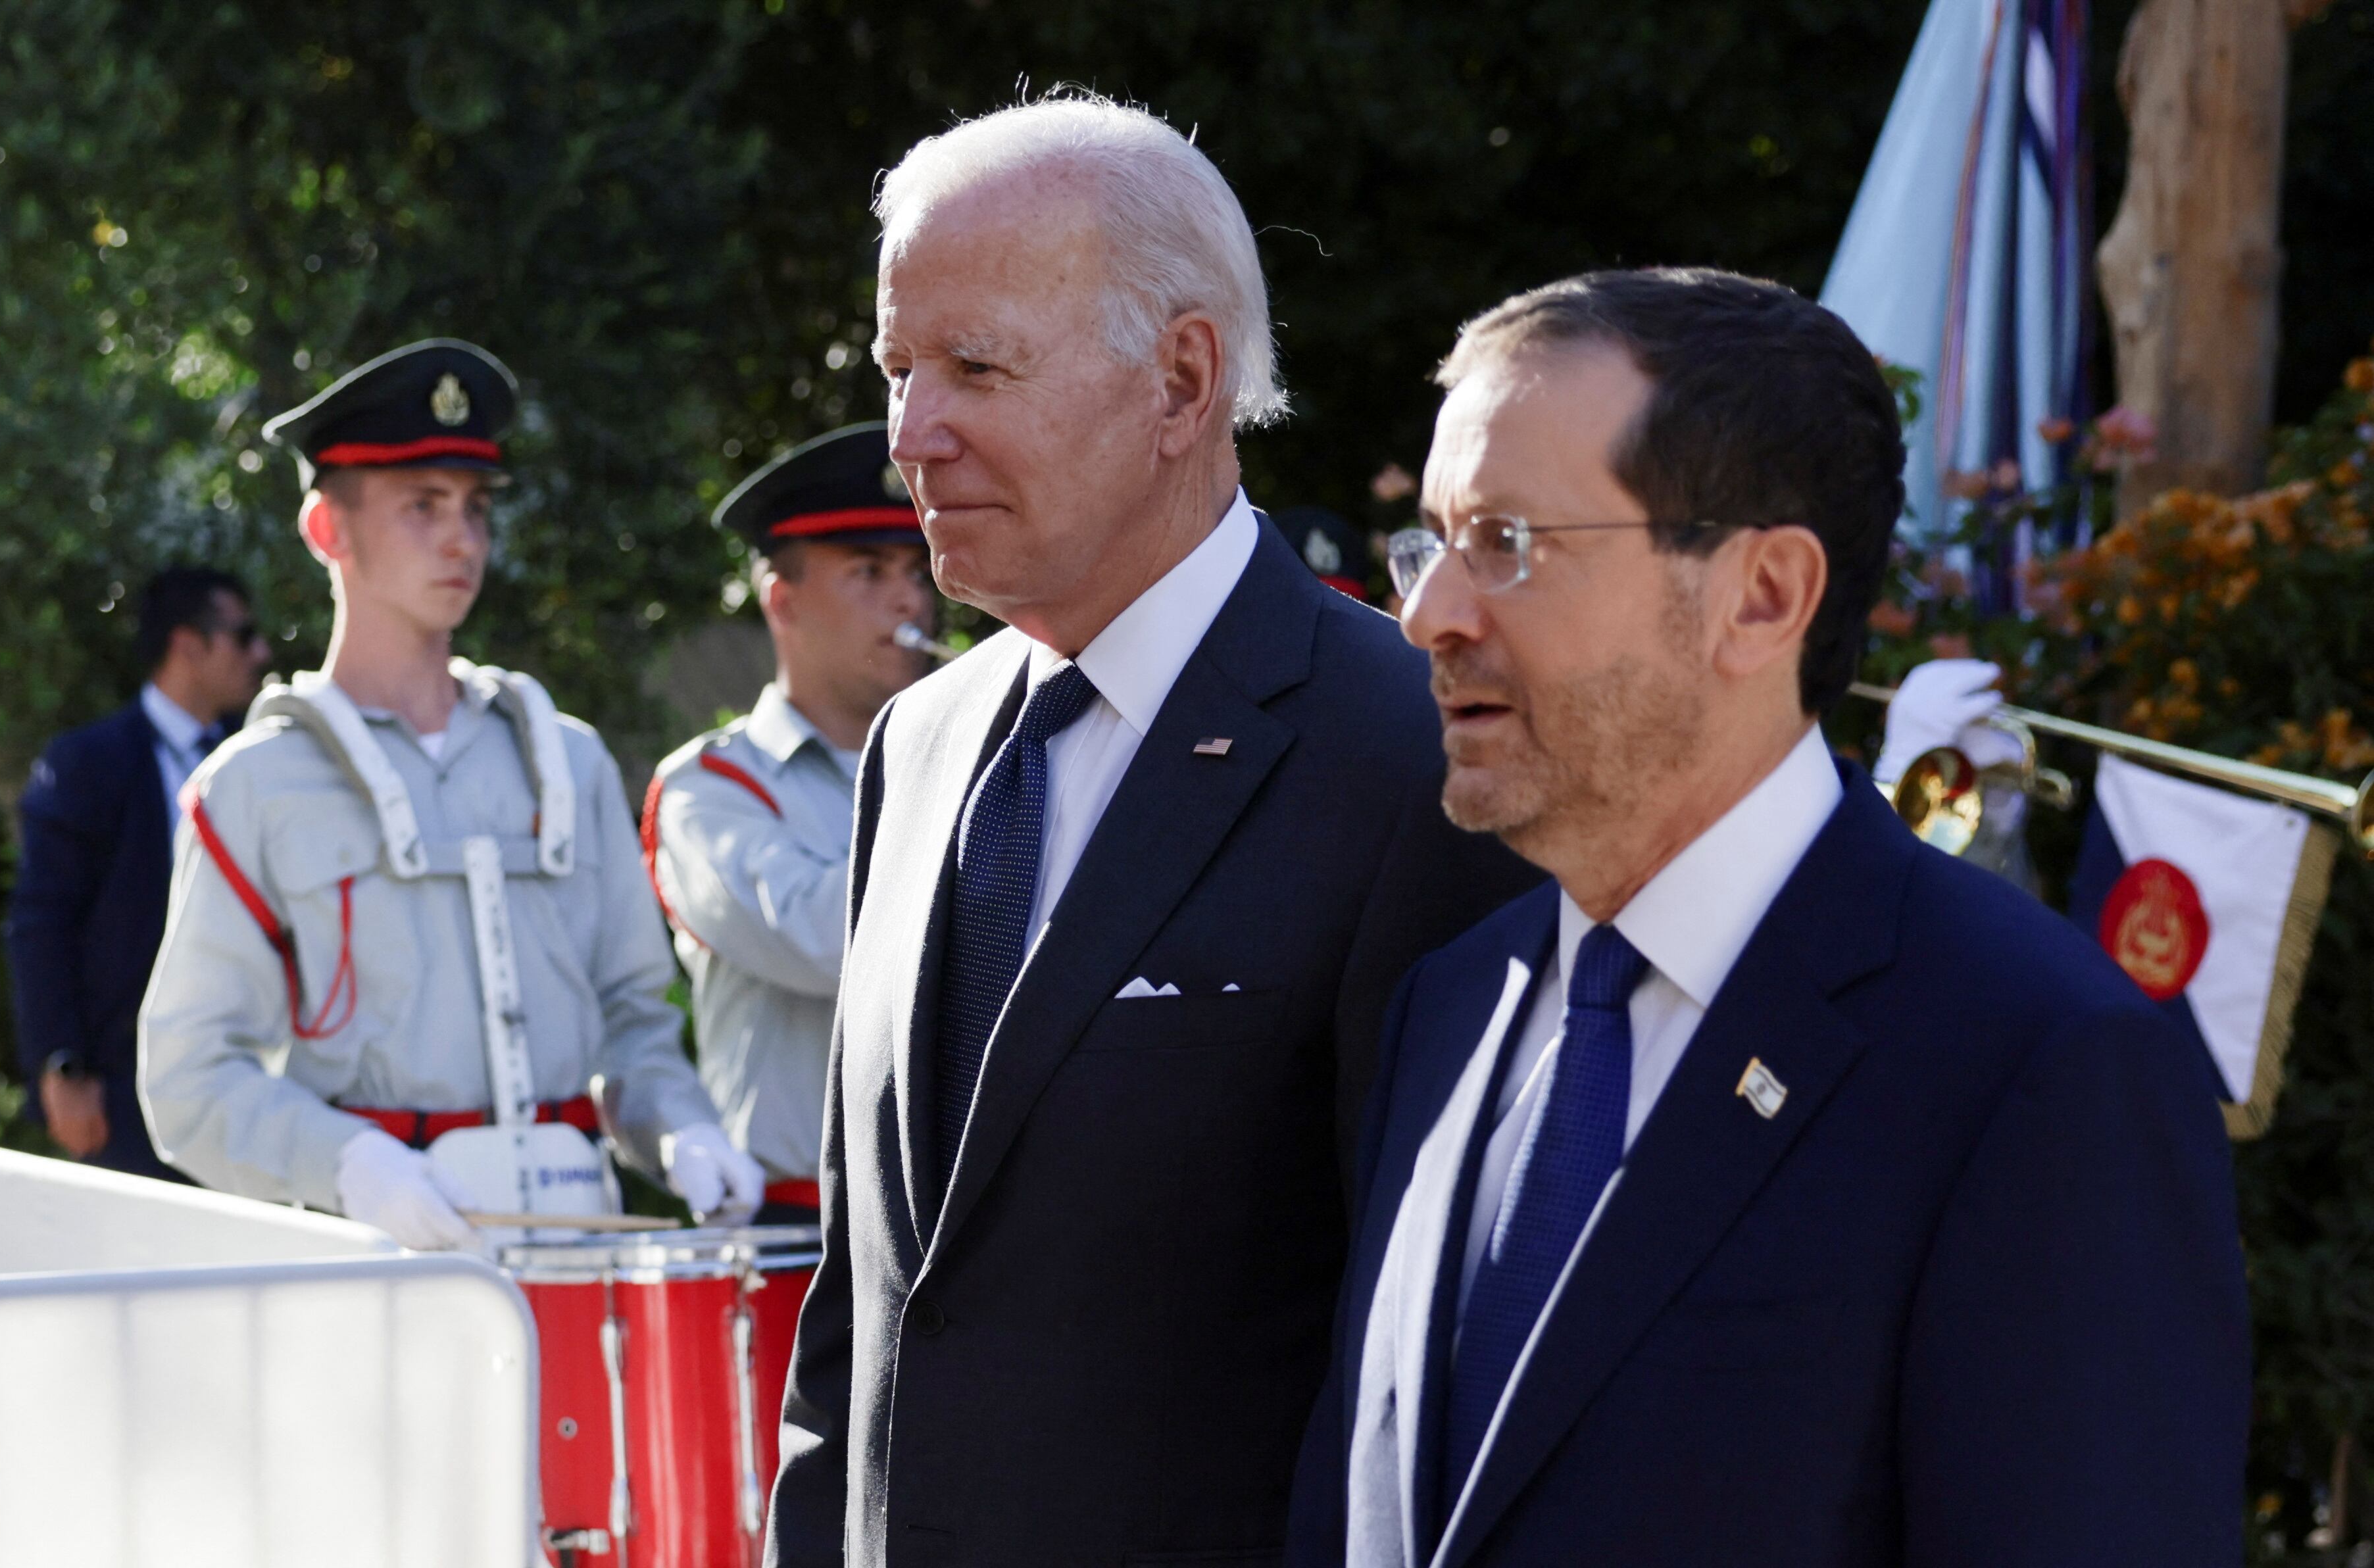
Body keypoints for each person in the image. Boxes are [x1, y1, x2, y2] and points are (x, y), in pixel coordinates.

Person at [1286, 268, 2251, 1567]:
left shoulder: (2036, 1063)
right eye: (1433, 545)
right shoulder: (1448, 1005)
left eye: (1508, 543)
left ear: (1763, 597)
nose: (1429, 615)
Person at [766, 95, 1539, 1566]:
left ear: (1182, 382)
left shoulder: (1411, 757)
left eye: (975, 367)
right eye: (898, 369)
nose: (911, 436)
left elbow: (1444, 1381)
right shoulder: (920, 745)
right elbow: (859, 1310)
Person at [139, 338, 758, 1249]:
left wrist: (683, 1129)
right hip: (375, 1272)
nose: (463, 539)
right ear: (327, 531)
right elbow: (187, 1082)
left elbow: (633, 1018)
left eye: (474, 506)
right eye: (421, 506)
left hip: (575, 1259)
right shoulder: (255, 785)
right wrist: (345, 1161)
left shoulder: (568, 761)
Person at [645, 423, 934, 1221]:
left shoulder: (961, 766)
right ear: (784, 600)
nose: (910, 598)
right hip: (793, 1228)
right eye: (869, 572)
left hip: (950, 1229)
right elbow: (819, 936)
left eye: (916, 569)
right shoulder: (710, 788)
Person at [6, 567, 270, 1177]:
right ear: (188, 645)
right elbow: (41, 921)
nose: (261, 653)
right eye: (244, 634)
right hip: (124, 1089)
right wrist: (62, 1064)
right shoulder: (89, 761)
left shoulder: (257, 755)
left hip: (252, 1079)